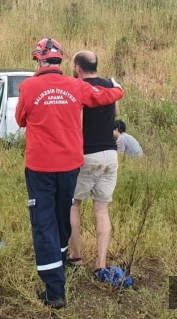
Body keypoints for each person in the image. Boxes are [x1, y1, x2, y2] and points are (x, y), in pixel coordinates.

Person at [15, 38, 124, 309]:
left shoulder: (28, 87)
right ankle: (62, 260)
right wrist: (118, 87)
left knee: (43, 224)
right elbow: (106, 96)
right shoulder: (77, 86)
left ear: (38, 59)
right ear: (61, 61)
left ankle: (55, 291)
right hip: (70, 167)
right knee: (62, 216)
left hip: (41, 168)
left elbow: (20, 120)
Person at [68, 51, 121, 282]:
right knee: (102, 210)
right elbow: (116, 112)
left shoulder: (78, 87)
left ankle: (76, 257)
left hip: (86, 155)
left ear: (78, 68)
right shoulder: (110, 85)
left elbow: (76, 120)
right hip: (110, 155)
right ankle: (101, 265)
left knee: (74, 204)